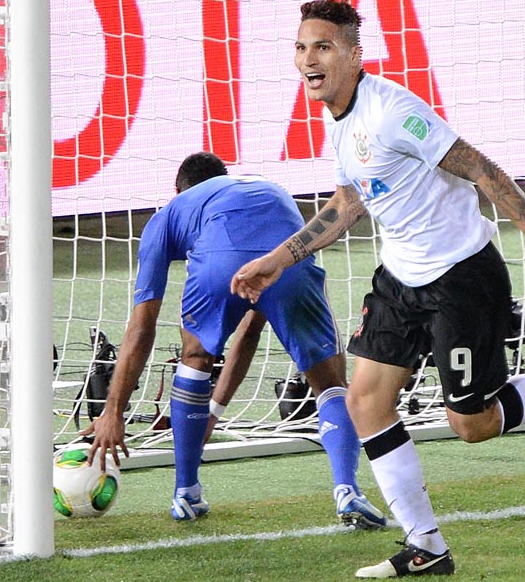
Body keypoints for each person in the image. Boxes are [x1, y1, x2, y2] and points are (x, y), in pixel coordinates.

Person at [230, 0, 525, 577]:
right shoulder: (340, 121)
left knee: (472, 424)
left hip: (460, 277)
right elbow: (349, 202)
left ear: (353, 54)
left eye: (322, 46)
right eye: (301, 48)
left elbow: (481, 169)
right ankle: (428, 547)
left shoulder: (393, 110)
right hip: (400, 278)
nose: (308, 60)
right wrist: (279, 257)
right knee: (365, 400)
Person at [84, 151, 387, 530]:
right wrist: (215, 411)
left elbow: (141, 328)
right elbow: (250, 329)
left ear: (176, 191)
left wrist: (114, 411)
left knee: (194, 358)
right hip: (289, 252)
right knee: (329, 385)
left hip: (217, 262)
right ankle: (347, 490)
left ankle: (186, 493)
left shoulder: (168, 216)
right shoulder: (261, 189)